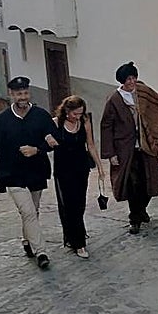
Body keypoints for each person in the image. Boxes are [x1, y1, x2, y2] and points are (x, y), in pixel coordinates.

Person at [0, 76, 60, 269]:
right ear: (12, 95)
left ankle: (27, 241)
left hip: (36, 171)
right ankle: (41, 252)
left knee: (33, 211)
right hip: (12, 174)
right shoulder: (2, 120)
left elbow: (54, 140)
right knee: (27, 211)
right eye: (19, 94)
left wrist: (37, 149)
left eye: (25, 93)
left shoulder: (41, 116)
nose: (23, 97)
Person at [100, 62, 158, 234]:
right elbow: (106, 126)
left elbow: (155, 117)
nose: (131, 81)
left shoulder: (144, 94)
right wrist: (110, 153)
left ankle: (141, 210)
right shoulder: (114, 99)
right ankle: (134, 218)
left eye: (133, 77)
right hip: (125, 149)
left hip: (145, 147)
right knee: (132, 184)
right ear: (122, 81)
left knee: (149, 182)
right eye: (128, 79)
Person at [51, 95, 106, 259]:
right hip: (63, 170)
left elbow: (90, 144)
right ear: (67, 111)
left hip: (81, 168)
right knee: (68, 205)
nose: (77, 117)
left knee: (80, 204)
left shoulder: (84, 122)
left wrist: (100, 166)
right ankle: (78, 242)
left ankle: (74, 235)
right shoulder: (56, 123)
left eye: (80, 113)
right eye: (75, 114)